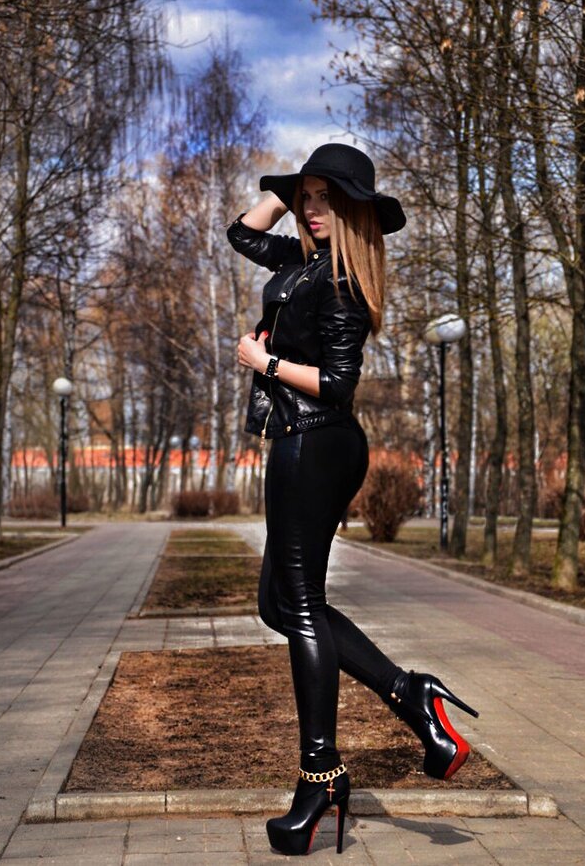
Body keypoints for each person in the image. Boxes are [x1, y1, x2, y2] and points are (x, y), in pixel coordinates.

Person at [228, 143, 478, 857]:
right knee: (278, 605)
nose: (310, 210)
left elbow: (339, 383)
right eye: (305, 198)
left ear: (354, 210)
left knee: (300, 605)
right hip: (301, 441)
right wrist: (284, 189)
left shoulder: (340, 282)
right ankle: (411, 695)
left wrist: (265, 362)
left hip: (317, 441)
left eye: (324, 198)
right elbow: (241, 233)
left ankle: (319, 775)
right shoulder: (301, 262)